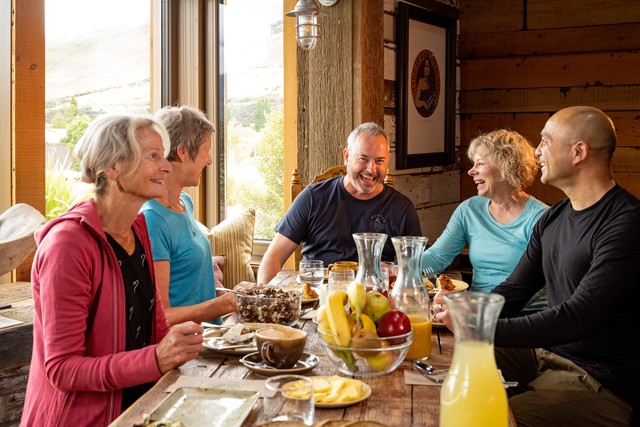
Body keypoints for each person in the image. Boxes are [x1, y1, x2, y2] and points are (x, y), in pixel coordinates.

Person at [433, 106, 640, 426]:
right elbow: (513, 291)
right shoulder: (555, 218)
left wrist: (479, 328)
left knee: (484, 420)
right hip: (544, 354)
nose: (537, 151)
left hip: (601, 381)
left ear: (579, 152)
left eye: (544, 141)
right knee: (445, 361)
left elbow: (578, 317)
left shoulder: (625, 223)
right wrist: (463, 308)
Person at [21, 114, 204, 427]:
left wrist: (183, 342)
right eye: (153, 156)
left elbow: (154, 325)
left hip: (141, 408)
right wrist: (156, 358)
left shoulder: (138, 229)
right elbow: (62, 368)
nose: (167, 166)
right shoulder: (68, 245)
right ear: (113, 167)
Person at [257, 122, 422, 285]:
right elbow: (273, 258)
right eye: (363, 159)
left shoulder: (402, 208)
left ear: (388, 161)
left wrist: (395, 270)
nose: (371, 169)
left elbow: (414, 270)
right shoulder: (313, 198)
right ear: (347, 156)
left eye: (379, 161)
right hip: (317, 299)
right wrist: (265, 301)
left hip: (375, 300)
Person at [141, 105, 251, 326]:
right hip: (188, 350)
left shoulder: (186, 204)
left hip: (212, 337)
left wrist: (235, 295)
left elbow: (192, 290)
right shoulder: (152, 220)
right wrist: (226, 304)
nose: (209, 160)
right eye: (205, 150)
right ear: (182, 152)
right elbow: (162, 316)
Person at [422, 129, 548, 311]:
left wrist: (470, 305)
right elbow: (438, 256)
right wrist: (399, 269)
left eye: (480, 164)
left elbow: (529, 286)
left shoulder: (540, 218)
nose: (471, 172)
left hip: (524, 316)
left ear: (506, 167)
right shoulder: (469, 209)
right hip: (474, 312)